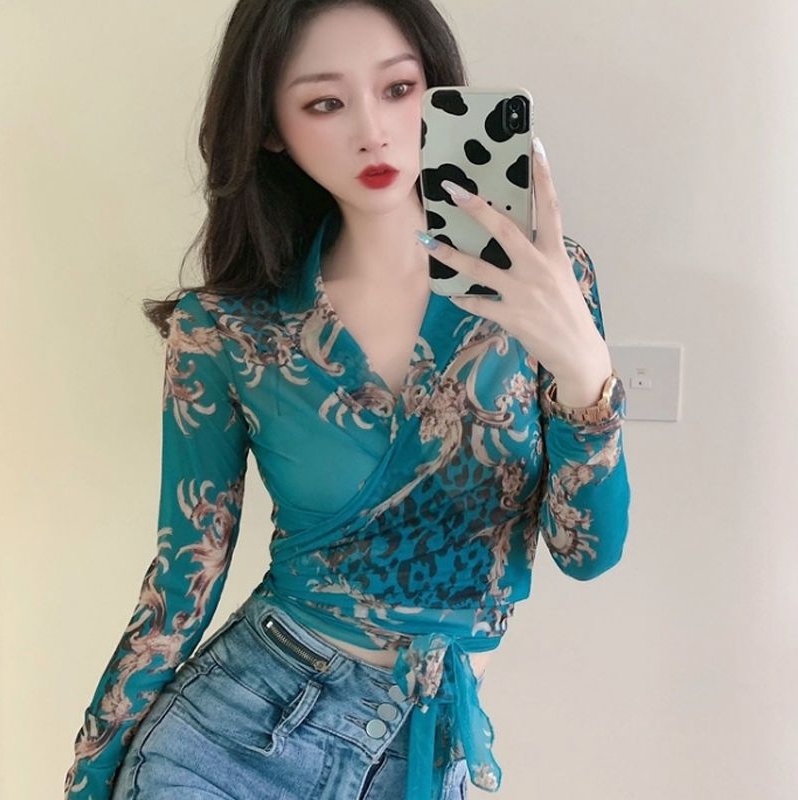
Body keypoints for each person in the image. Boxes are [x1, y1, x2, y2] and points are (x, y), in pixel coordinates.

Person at [64, 1, 631, 798]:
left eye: (398, 89)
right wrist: (91, 775)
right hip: (231, 740)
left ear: (438, 93)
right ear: (272, 129)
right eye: (325, 103)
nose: (373, 131)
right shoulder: (225, 331)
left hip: (423, 748)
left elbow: (587, 553)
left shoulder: (546, 284)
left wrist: (584, 370)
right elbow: (182, 577)